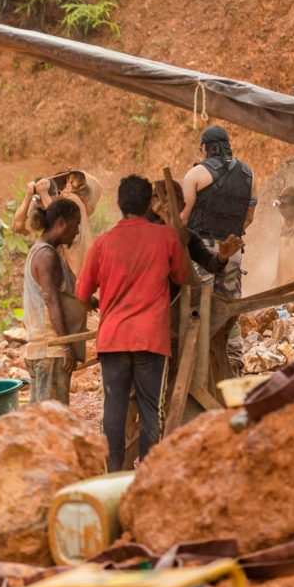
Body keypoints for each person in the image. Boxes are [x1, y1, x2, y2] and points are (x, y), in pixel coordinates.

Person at [76, 175, 188, 471]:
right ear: (148, 202)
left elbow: (81, 293)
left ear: (120, 204)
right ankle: (151, 471)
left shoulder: (103, 243)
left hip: (113, 339)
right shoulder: (166, 238)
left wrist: (95, 305)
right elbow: (182, 277)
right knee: (153, 407)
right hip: (151, 338)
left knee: (114, 406)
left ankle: (113, 471)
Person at [21, 198, 86, 405]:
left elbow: (61, 293)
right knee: (51, 421)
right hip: (51, 350)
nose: (77, 232)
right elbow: (51, 299)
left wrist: (89, 302)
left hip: (44, 350)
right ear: (61, 223)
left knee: (43, 420)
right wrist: (65, 344)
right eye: (76, 225)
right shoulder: (46, 255)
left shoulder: (46, 252)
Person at [180, 125, 257, 298]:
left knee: (199, 305)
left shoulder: (195, 174)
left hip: (202, 251)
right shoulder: (249, 175)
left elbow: (183, 219)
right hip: (232, 249)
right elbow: (249, 218)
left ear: (205, 147)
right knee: (227, 309)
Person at [14, 170, 102, 277]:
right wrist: (28, 197)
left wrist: (43, 193)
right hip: (64, 276)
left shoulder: (73, 202)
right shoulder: (46, 205)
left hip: (81, 274)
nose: (41, 206)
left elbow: (59, 220)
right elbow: (18, 227)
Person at [150, 179, 242, 280]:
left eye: (174, 203)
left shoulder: (188, 236)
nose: (169, 207)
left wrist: (222, 257)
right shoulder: (145, 230)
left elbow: (211, 264)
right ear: (153, 206)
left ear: (182, 207)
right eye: (165, 202)